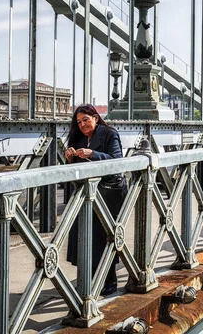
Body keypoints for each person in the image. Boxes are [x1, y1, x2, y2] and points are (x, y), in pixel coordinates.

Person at [66, 104, 127, 296]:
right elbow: (79, 167)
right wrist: (70, 158)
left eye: (86, 120)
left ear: (95, 117)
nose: (82, 124)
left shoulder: (109, 134)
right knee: (83, 234)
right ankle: (87, 279)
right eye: (79, 122)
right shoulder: (81, 138)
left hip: (109, 192)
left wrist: (93, 154)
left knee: (103, 236)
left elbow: (116, 162)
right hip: (87, 193)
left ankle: (109, 281)